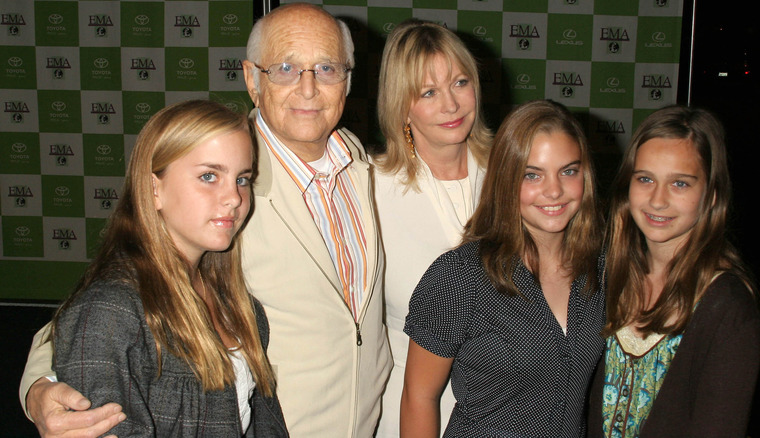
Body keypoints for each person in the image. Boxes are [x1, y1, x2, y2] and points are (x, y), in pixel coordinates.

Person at [20, 3, 391, 438]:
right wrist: (40, 389)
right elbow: (95, 317)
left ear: (347, 79)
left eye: (327, 68)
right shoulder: (222, 172)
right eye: (287, 68)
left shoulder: (362, 161)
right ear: (253, 79)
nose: (308, 89)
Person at [50, 99, 287, 437]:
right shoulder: (111, 310)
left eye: (243, 179)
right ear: (153, 188)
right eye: (209, 176)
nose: (233, 198)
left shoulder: (241, 307)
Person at [401, 100, 604, 437]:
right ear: (506, 179)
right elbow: (418, 397)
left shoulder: (602, 268)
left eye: (569, 171)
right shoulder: (460, 277)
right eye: (532, 175)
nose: (554, 190)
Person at [587, 105, 760, 438]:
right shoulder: (610, 279)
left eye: (680, 184)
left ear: (711, 195)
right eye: (645, 179)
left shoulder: (727, 309)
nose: (657, 200)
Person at [372, 19, 492, 438]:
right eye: (428, 92)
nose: (451, 104)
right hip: (407, 413)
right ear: (401, 105)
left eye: (460, 82)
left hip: (507, 409)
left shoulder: (514, 176)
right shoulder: (368, 189)